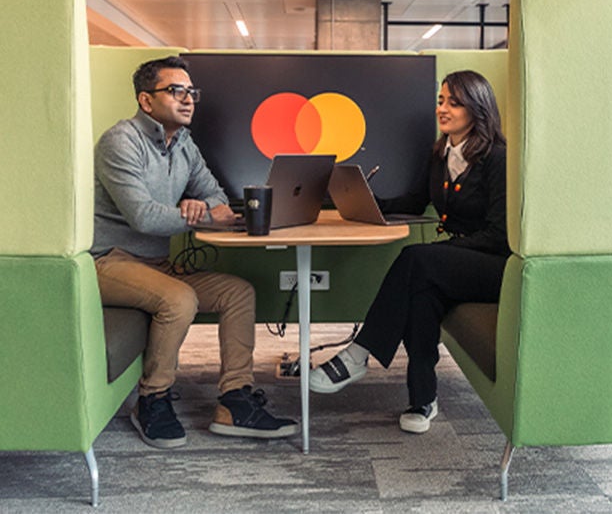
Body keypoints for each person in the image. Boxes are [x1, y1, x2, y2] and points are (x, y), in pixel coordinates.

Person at [91, 56, 298, 449]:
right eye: (176, 91)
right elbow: (143, 218)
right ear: (146, 101)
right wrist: (193, 216)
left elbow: (216, 197)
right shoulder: (121, 141)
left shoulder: (184, 144)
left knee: (238, 292)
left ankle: (235, 401)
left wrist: (200, 209)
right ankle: (151, 399)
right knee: (180, 298)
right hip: (110, 261)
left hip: (157, 265)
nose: (188, 100)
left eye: (191, 92)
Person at [308, 70, 509, 434]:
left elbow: (499, 235)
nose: (443, 109)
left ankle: (359, 352)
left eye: (454, 102)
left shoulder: (497, 159)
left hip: (493, 266)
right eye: (441, 100)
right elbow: (416, 202)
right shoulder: (440, 153)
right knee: (422, 293)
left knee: (416, 260)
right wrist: (366, 204)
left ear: (478, 109)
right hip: (456, 260)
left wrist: (447, 251)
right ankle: (422, 400)